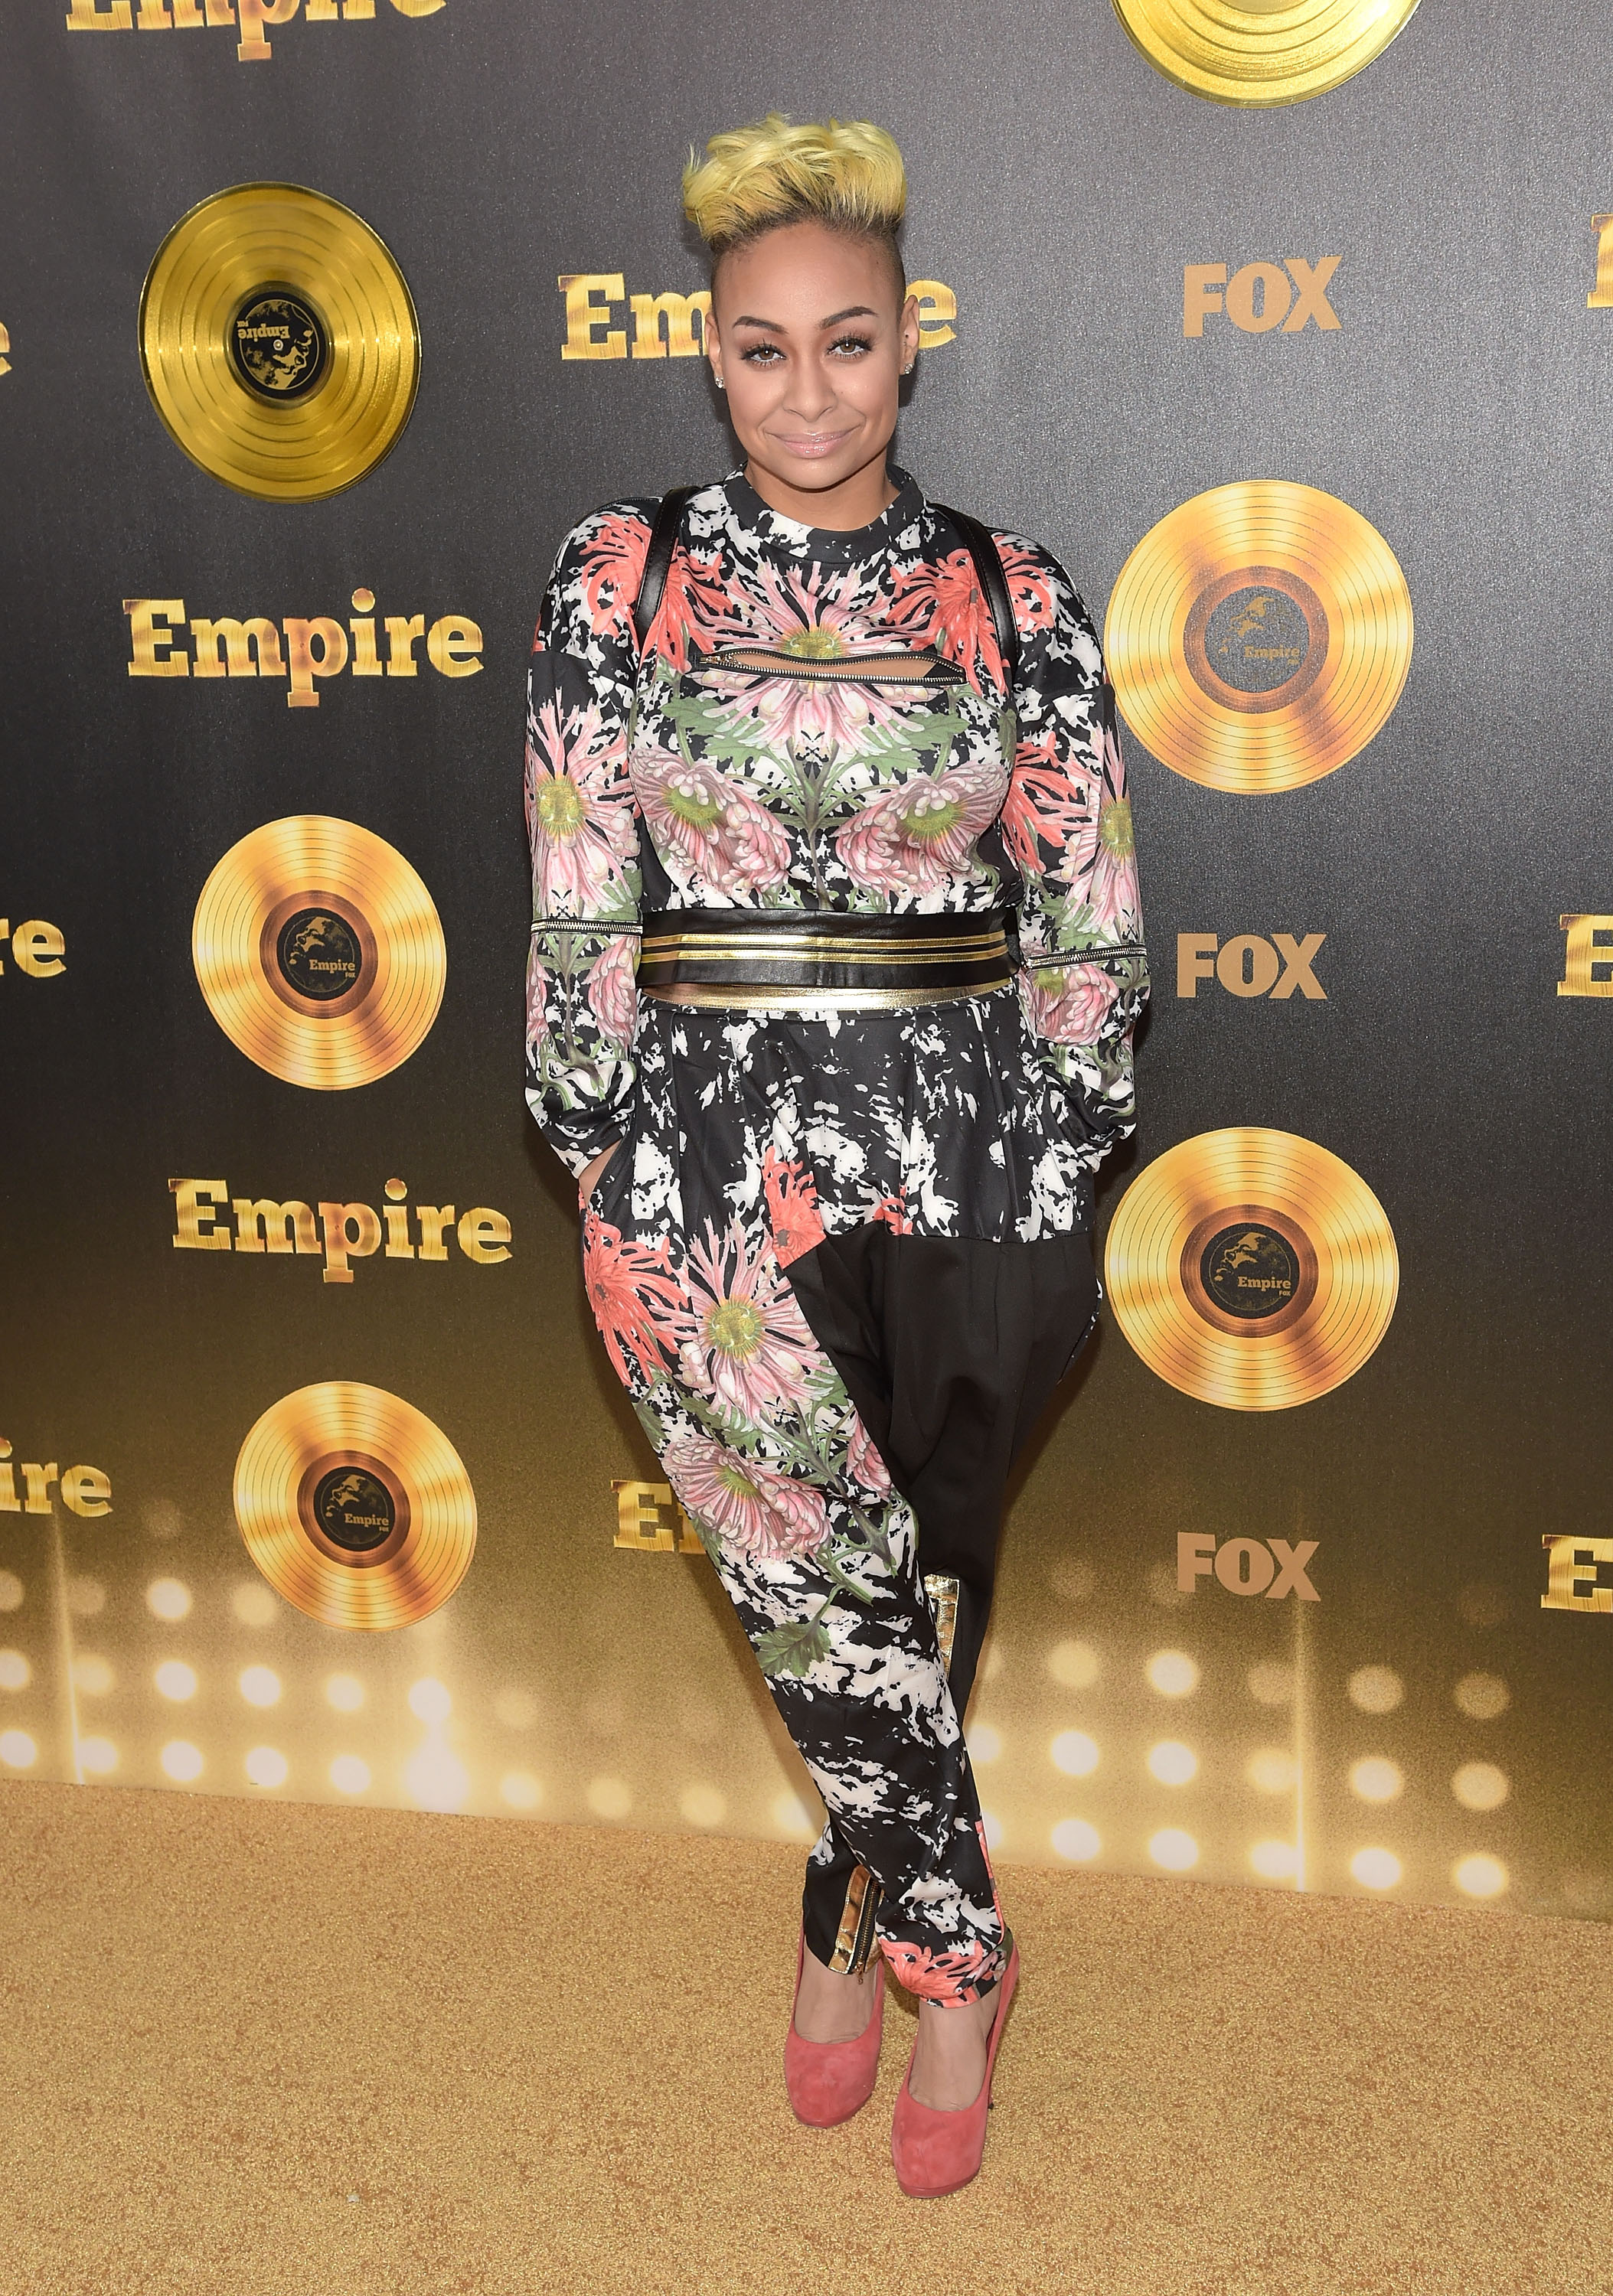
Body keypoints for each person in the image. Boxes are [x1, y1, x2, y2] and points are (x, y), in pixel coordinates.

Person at [524, 114, 1147, 2197]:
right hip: (704, 1153)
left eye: (848, 343)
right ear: (710, 358)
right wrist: (597, 1149)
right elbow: (574, 884)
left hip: (970, 1151)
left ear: (909, 350)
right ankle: (957, 1963)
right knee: (814, 1566)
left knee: (910, 1588)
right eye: (763, 348)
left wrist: (1063, 1177)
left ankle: (841, 1908)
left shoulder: (1011, 589)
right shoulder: (620, 575)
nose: (809, 389)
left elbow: (1083, 907)